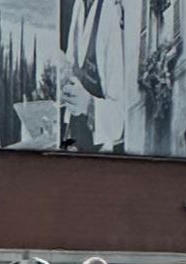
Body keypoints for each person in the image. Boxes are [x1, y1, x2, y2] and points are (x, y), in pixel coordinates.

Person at [60, 0, 127, 153]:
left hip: (99, 148)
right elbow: (72, 67)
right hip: (74, 138)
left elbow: (119, 119)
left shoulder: (110, 13)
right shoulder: (79, 6)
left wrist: (89, 105)